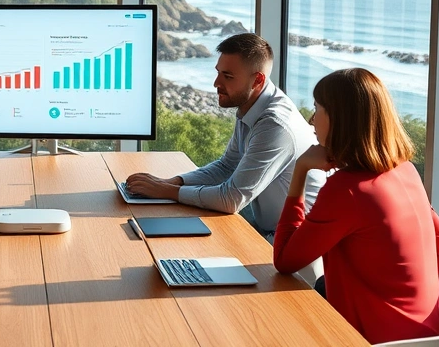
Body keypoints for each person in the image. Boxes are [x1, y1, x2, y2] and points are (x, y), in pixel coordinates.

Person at [272, 68, 439, 344]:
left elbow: (285, 261)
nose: (312, 120)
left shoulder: (347, 190)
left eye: (317, 109)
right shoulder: (406, 171)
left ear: (340, 119)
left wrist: (300, 169)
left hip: (373, 339)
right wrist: (386, 286)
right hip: (431, 335)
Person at [126, 33, 324, 237]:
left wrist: (167, 192)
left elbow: (232, 198)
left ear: (258, 80)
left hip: (294, 242)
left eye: (227, 76)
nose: (216, 83)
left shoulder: (274, 124)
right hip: (268, 229)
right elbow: (227, 166)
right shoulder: (251, 106)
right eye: (218, 72)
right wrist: (171, 182)